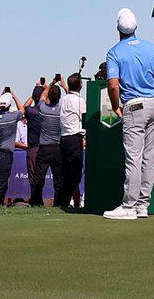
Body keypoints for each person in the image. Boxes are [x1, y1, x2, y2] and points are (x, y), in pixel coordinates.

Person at [103, 7, 154, 220]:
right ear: (136, 26)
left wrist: (115, 106)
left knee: (134, 157)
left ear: (117, 28)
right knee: (150, 157)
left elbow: (113, 86)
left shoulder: (114, 52)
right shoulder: (151, 47)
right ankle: (143, 205)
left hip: (134, 105)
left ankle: (129, 205)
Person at [28, 79, 64, 209]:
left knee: (39, 178)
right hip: (57, 148)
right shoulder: (62, 109)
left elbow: (42, 96)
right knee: (58, 179)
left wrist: (50, 83)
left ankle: (37, 202)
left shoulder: (42, 109)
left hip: (44, 148)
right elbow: (70, 99)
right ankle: (59, 203)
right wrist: (64, 85)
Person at [0, 91, 25, 209]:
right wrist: (14, 95)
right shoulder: (12, 117)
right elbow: (22, 109)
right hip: (5, 154)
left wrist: (0, 98)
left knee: (2, 182)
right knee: (0, 182)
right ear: (9, 105)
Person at [58, 73, 87, 209]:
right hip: (75, 138)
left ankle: (62, 200)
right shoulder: (79, 101)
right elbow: (84, 116)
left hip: (64, 138)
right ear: (80, 85)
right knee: (75, 174)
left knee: (66, 173)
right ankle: (63, 201)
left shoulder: (64, 99)